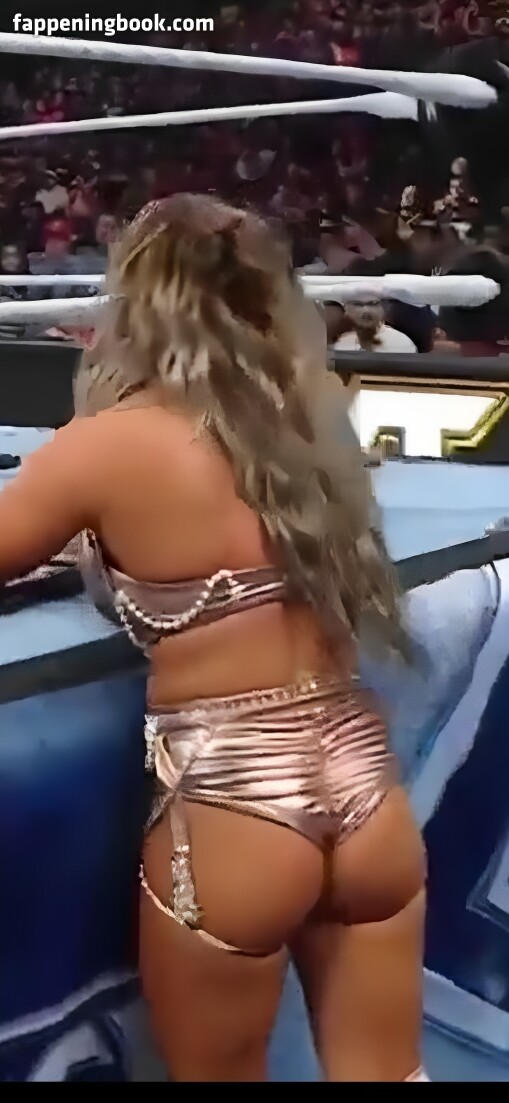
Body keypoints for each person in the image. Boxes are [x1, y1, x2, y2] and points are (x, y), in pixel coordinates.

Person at [0, 195, 426, 1083]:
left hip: (234, 801)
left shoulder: (110, 445)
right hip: (362, 781)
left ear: (136, 301)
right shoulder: (311, 422)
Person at [334, 295, 418, 353]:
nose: (366, 310)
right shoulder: (338, 343)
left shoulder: (401, 344)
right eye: (358, 304)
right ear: (345, 309)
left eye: (373, 304)